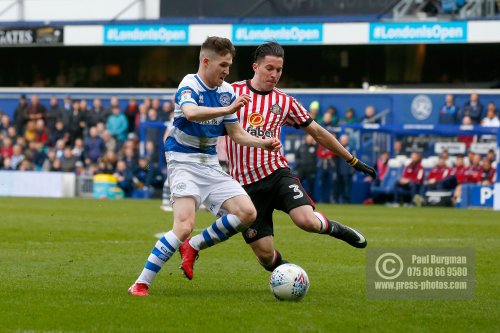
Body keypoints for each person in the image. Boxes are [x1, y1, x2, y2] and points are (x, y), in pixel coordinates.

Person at [178, 41, 375, 281]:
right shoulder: (230, 93)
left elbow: (318, 132)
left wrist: (351, 159)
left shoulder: (286, 102)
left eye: (279, 70)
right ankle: (292, 277)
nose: (274, 75)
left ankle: (337, 229)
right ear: (255, 67)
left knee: (307, 221)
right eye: (269, 68)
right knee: (266, 257)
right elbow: (196, 113)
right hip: (245, 188)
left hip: (277, 174)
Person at [128, 36, 281, 297]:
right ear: (206, 61)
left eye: (230, 65)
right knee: (184, 225)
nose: (227, 71)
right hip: (183, 161)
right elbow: (190, 112)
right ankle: (141, 283)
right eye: (223, 65)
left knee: (247, 213)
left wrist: (261, 143)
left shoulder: (227, 93)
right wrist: (228, 109)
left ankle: (193, 246)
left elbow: (236, 134)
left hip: (209, 163)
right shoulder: (190, 84)